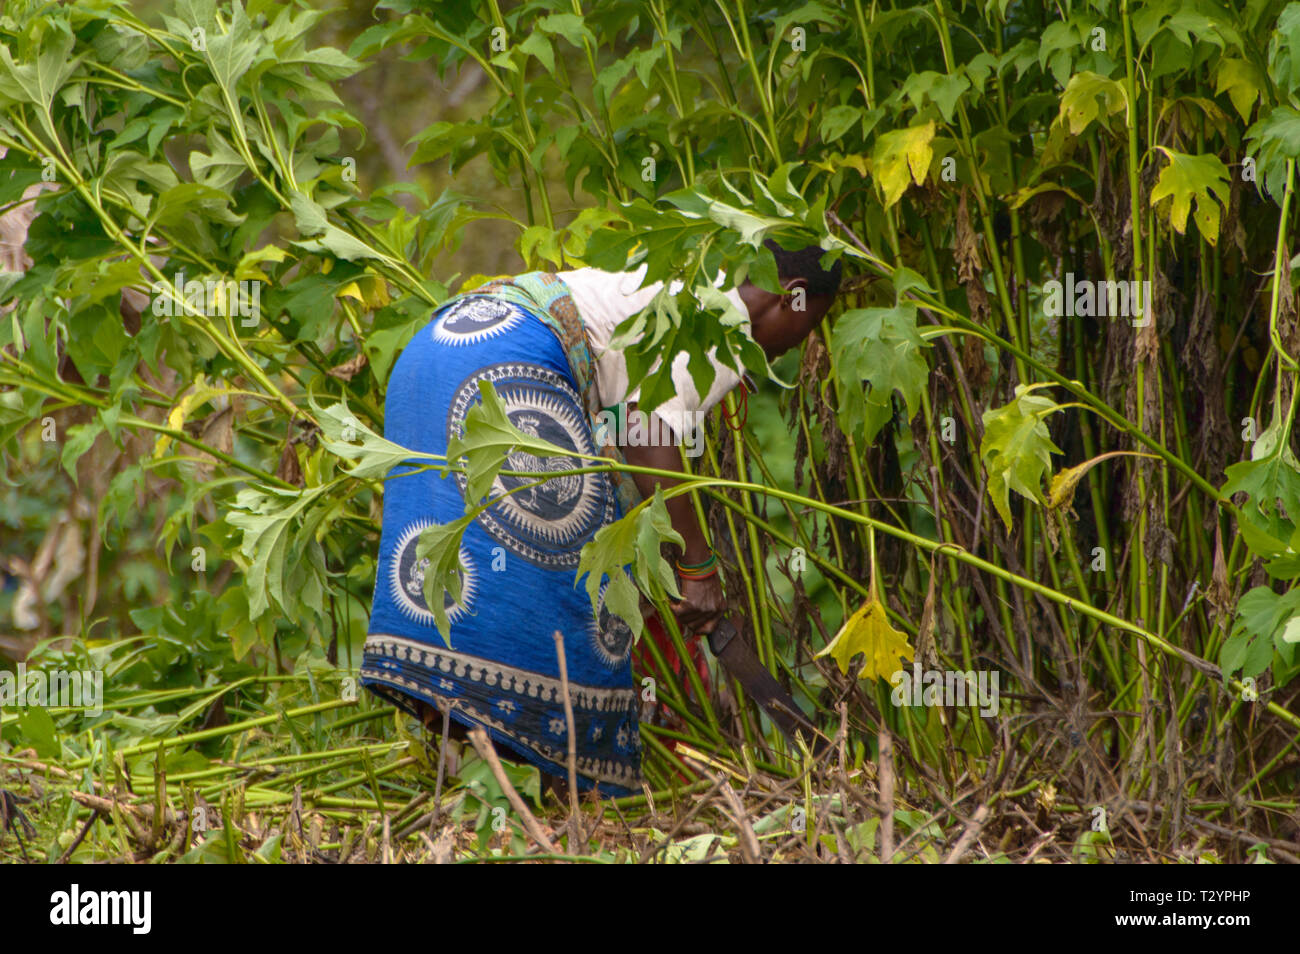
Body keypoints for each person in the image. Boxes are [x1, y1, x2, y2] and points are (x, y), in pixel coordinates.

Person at [360, 240, 842, 796]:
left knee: (470, 575)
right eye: (813, 326)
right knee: (579, 591)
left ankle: (467, 751)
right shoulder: (718, 325)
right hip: (509, 358)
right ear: (795, 298)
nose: (800, 346)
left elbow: (622, 441)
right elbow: (646, 431)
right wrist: (699, 567)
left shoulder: (673, 281)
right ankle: (580, 791)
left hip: (435, 353)